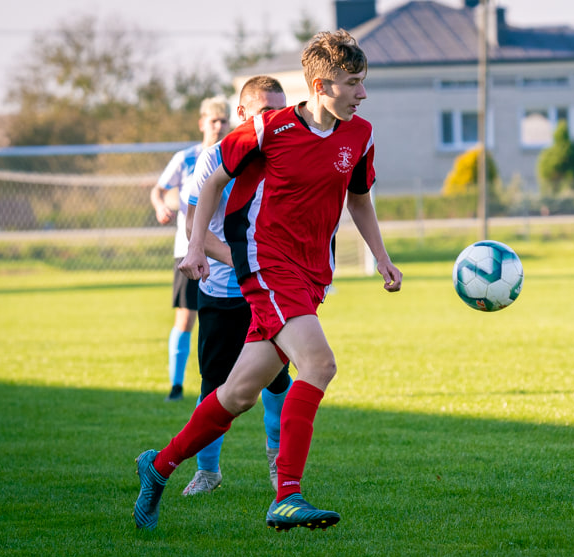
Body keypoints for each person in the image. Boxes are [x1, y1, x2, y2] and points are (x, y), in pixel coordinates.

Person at [133, 30, 403, 531]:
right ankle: (287, 495)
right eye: (354, 83)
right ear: (321, 85)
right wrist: (195, 248)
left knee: (238, 394)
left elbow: (359, 198)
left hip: (311, 272)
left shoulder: (359, 135)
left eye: (364, 83)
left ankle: (160, 465)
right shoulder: (268, 128)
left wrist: (381, 257)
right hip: (264, 262)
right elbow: (210, 181)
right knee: (319, 364)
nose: (362, 94)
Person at [180, 76, 290, 496]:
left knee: (277, 383)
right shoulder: (213, 160)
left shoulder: (286, 154)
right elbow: (196, 229)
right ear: (242, 114)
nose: (274, 119)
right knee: (214, 386)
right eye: (266, 111)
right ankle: (208, 471)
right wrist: (244, 264)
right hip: (224, 292)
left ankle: (280, 470)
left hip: (268, 291)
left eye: (280, 110)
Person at [149, 96, 231, 401]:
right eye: (214, 121)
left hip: (224, 250)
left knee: (223, 321)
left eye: (224, 121)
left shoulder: (233, 155)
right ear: (202, 123)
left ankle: (222, 385)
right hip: (189, 248)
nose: (219, 126)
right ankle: (176, 384)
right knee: (186, 317)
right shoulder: (186, 158)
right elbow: (160, 190)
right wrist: (161, 205)